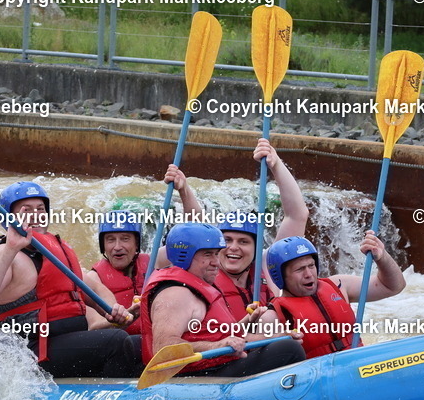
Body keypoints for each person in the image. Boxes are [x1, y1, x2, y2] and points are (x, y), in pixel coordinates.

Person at [0, 181, 141, 378]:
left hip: (63, 343)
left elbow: (95, 289)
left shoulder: (54, 252)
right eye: (26, 210)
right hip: (28, 352)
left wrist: (114, 309)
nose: (36, 215)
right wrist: (10, 249)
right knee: (116, 341)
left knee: (138, 344)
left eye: (40, 209)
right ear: (8, 218)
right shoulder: (2, 254)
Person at [163, 138, 309, 315]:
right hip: (225, 342)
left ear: (256, 248)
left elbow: (297, 216)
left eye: (243, 241)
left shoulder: (266, 266)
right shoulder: (203, 269)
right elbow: (195, 227)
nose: (233, 247)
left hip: (267, 341)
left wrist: (276, 164)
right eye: (227, 240)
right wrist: (184, 190)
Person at [141, 222, 305, 377]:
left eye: (216, 254)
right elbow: (164, 349)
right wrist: (217, 346)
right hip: (194, 377)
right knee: (288, 350)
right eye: (207, 254)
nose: (216, 263)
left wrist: (270, 333)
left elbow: (221, 336)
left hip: (215, 366)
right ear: (185, 255)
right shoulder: (174, 293)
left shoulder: (198, 284)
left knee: (284, 341)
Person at [262, 232, 406, 359]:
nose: (308, 274)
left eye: (311, 266)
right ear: (280, 276)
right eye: (299, 269)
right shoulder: (273, 316)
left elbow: (393, 287)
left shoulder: (338, 285)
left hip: (359, 363)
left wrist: (382, 257)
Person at [84, 211, 147, 335]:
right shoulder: (93, 279)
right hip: (123, 345)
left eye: (125, 239)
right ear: (103, 246)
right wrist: (129, 316)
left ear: (136, 243)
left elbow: (193, 234)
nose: (117, 247)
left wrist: (184, 191)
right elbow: (94, 327)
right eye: (110, 240)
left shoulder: (154, 262)